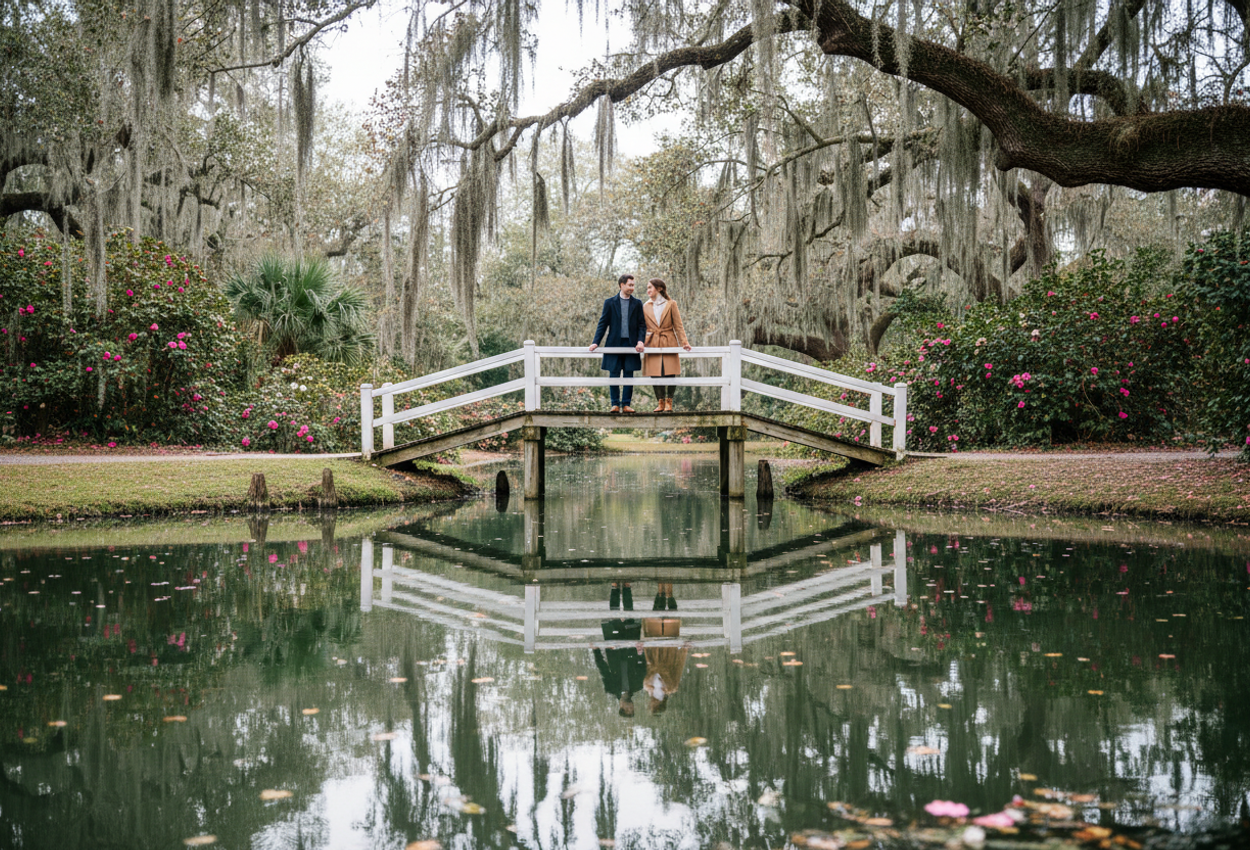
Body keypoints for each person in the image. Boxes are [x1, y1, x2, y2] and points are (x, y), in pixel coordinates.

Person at [589, 274, 647, 412]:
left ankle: (626, 404)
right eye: (630, 285)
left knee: (629, 374)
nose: (632, 288)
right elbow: (602, 324)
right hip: (614, 344)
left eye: (633, 285)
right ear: (622, 285)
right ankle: (614, 404)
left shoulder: (637, 303)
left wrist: (640, 341)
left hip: (632, 344)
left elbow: (642, 325)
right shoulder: (609, 302)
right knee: (613, 374)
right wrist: (596, 342)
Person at [594, 582, 646, 717]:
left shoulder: (611, 688)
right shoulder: (638, 685)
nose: (632, 706)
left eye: (629, 709)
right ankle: (627, 588)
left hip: (614, 649)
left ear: (621, 707)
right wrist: (641, 651)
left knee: (614, 614)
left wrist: (596, 650)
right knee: (629, 614)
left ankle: (615, 588)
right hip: (631, 648)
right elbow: (643, 666)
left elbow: (603, 668)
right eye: (633, 709)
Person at [641, 278, 691, 412]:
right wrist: (641, 341)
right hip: (652, 341)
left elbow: (678, 325)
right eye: (647, 288)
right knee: (655, 372)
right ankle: (660, 402)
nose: (648, 290)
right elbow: (642, 326)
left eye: (650, 287)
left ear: (660, 288)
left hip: (668, 339)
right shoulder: (645, 306)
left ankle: (669, 401)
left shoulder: (671, 304)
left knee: (669, 371)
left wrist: (684, 342)